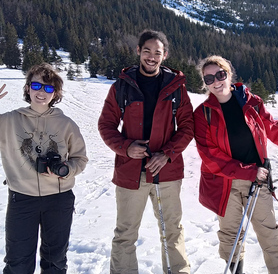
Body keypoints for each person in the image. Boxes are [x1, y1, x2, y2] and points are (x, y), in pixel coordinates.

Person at [193, 55, 278, 274]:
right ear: (205, 83)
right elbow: (210, 155)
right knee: (230, 235)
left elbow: (275, 130)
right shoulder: (203, 114)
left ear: (229, 74)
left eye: (220, 75)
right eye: (209, 78)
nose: (216, 81)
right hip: (223, 183)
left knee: (269, 232)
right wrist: (248, 171)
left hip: (257, 182)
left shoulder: (252, 103)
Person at [98, 29, 193, 274]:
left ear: (165, 56)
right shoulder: (122, 87)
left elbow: (187, 126)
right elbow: (106, 125)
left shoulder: (176, 88)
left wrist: (168, 153)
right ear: (138, 51)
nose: (152, 57)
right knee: (125, 235)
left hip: (167, 173)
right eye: (147, 51)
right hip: (131, 173)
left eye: (157, 53)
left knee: (172, 232)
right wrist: (126, 148)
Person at [0, 63, 88, 273]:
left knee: (55, 261)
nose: (41, 92)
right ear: (28, 88)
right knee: (17, 263)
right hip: (21, 199)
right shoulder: (8, 121)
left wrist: (67, 170)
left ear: (55, 93)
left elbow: (80, 158)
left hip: (59, 199)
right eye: (37, 85)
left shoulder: (66, 124)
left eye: (48, 88)